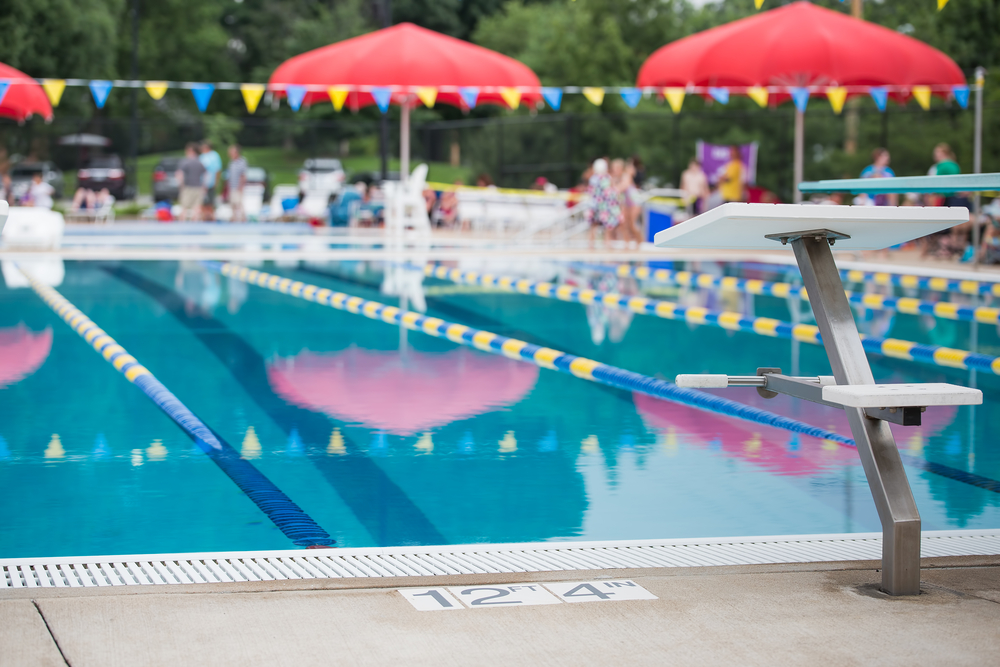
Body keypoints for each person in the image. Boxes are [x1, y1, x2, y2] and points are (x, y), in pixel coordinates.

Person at [586, 158, 621, 249]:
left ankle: (591, 244)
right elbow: (608, 192)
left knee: (593, 225)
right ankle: (607, 243)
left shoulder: (593, 178)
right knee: (607, 226)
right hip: (604, 206)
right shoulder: (606, 178)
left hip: (594, 204)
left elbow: (591, 192)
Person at [176, 143, 207, 221]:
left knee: (184, 208)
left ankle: (181, 225)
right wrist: (203, 186)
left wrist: (181, 185)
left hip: (188, 187)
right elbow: (205, 174)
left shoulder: (186, 162)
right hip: (198, 187)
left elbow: (179, 174)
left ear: (191, 151)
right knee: (196, 208)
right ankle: (195, 225)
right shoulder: (200, 162)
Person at [199, 141, 222, 221]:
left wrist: (216, 182)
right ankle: (204, 218)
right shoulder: (201, 156)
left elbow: (217, 170)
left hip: (211, 183)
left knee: (211, 202)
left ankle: (212, 218)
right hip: (202, 184)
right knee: (203, 202)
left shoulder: (214, 155)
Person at [227, 145, 248, 223]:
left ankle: (243, 217)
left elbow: (243, 175)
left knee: (239, 203)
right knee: (232, 203)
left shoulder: (242, 162)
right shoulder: (231, 162)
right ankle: (234, 217)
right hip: (232, 186)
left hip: (238, 186)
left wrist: (241, 186)